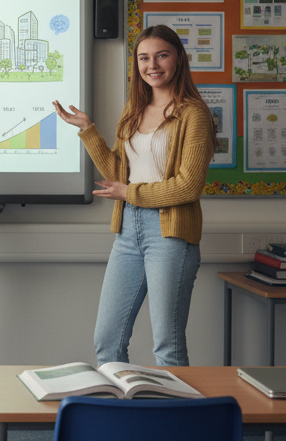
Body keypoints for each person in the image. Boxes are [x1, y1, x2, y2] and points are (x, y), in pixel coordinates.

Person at [53, 23, 214, 367]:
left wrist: (129, 192)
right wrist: (87, 130)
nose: (152, 65)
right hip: (128, 232)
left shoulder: (194, 114)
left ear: (178, 59)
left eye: (161, 55)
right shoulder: (134, 110)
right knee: (107, 342)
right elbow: (117, 174)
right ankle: (124, 420)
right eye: (144, 58)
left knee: (167, 346)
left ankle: (173, 422)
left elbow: (188, 186)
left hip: (170, 234)